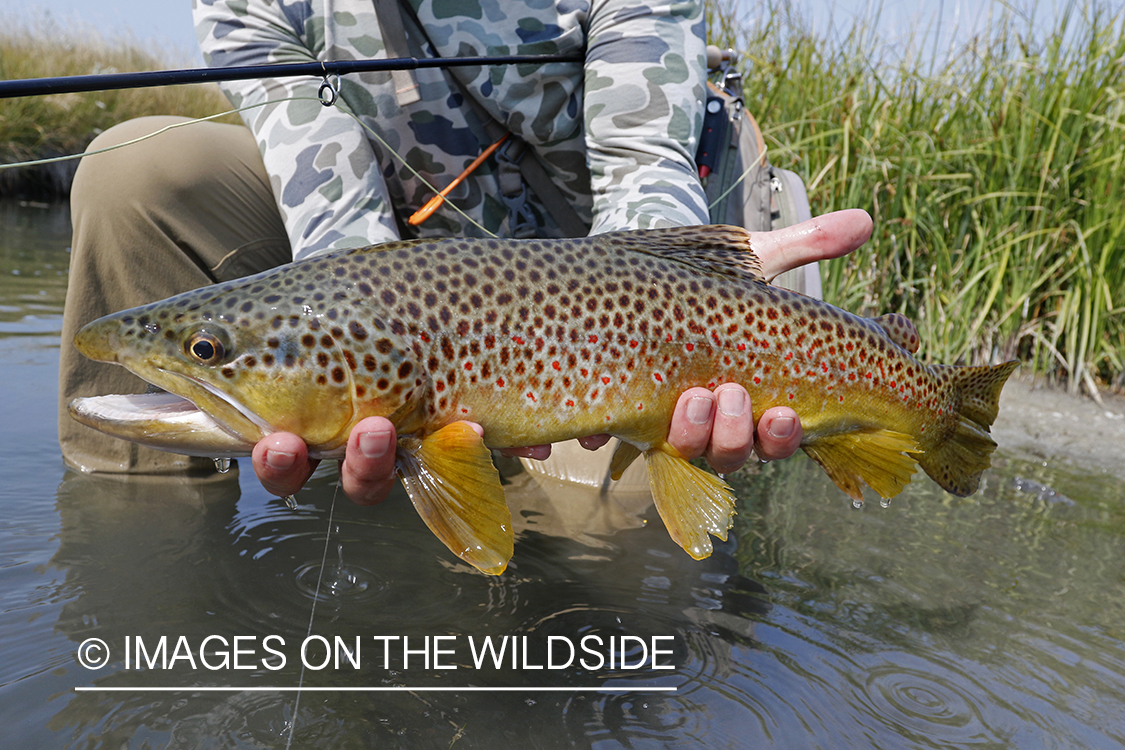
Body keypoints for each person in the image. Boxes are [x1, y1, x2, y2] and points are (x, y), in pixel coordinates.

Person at [59, 0, 873, 506]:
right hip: (407, 287)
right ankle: (138, 551)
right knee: (136, 172)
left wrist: (699, 316)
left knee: (620, 561)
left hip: (589, 301)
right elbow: (336, 227)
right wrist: (379, 393)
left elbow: (642, 173)